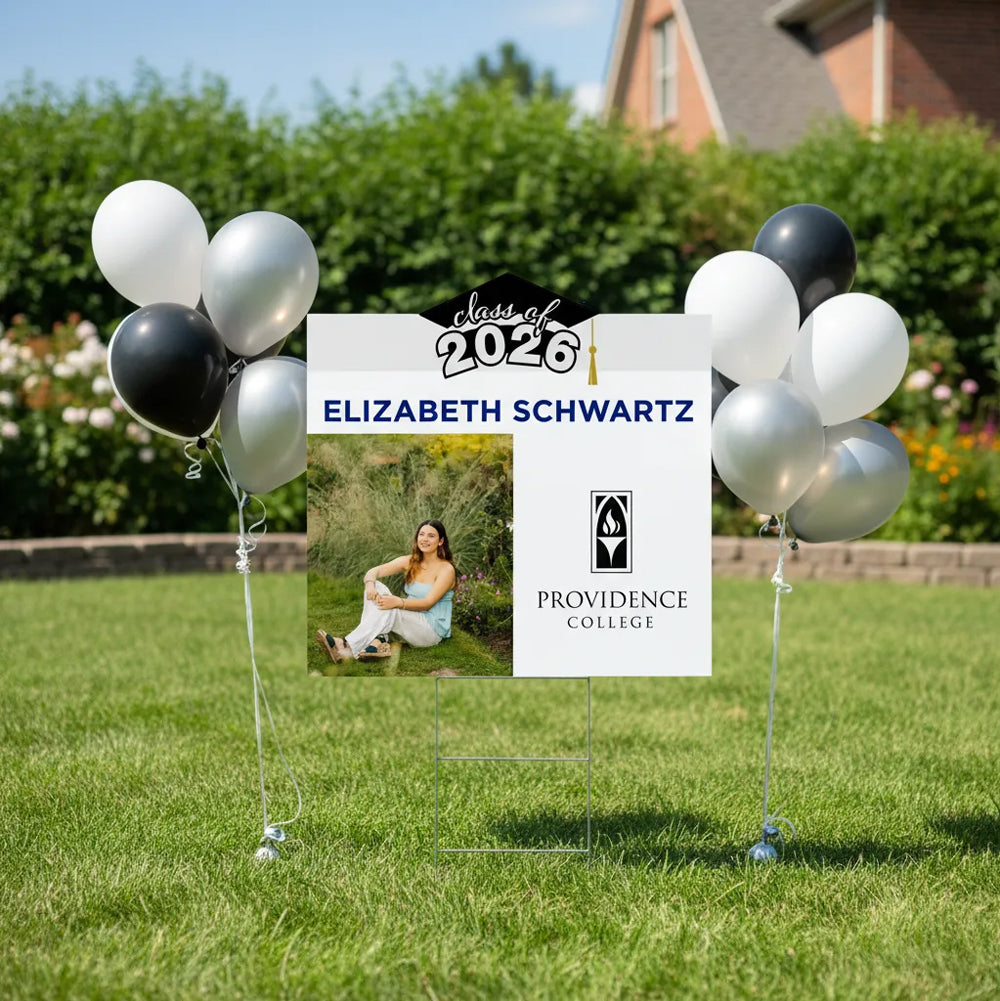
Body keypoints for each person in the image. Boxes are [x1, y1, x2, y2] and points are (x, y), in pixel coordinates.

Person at [316, 519, 456, 663]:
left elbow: (428, 603)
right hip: (410, 620)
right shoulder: (410, 561)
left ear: (440, 541)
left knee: (391, 607)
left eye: (431, 536)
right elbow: (374, 571)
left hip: (430, 630)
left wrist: (399, 602)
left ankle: (345, 645)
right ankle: (377, 642)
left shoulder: (446, 570)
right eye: (422, 534)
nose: (425, 539)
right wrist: (370, 585)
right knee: (378, 587)